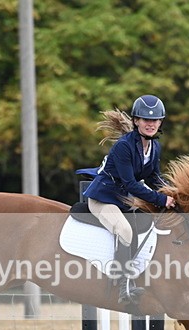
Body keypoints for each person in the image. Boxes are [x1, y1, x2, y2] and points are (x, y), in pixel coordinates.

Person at [77, 95, 176, 304]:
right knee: (124, 231)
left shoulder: (154, 147)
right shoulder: (124, 146)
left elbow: (153, 177)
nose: (151, 124)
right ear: (136, 121)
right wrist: (160, 199)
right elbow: (131, 183)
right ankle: (123, 285)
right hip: (103, 199)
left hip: (123, 200)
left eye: (155, 120)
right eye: (145, 120)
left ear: (160, 122)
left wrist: (172, 193)